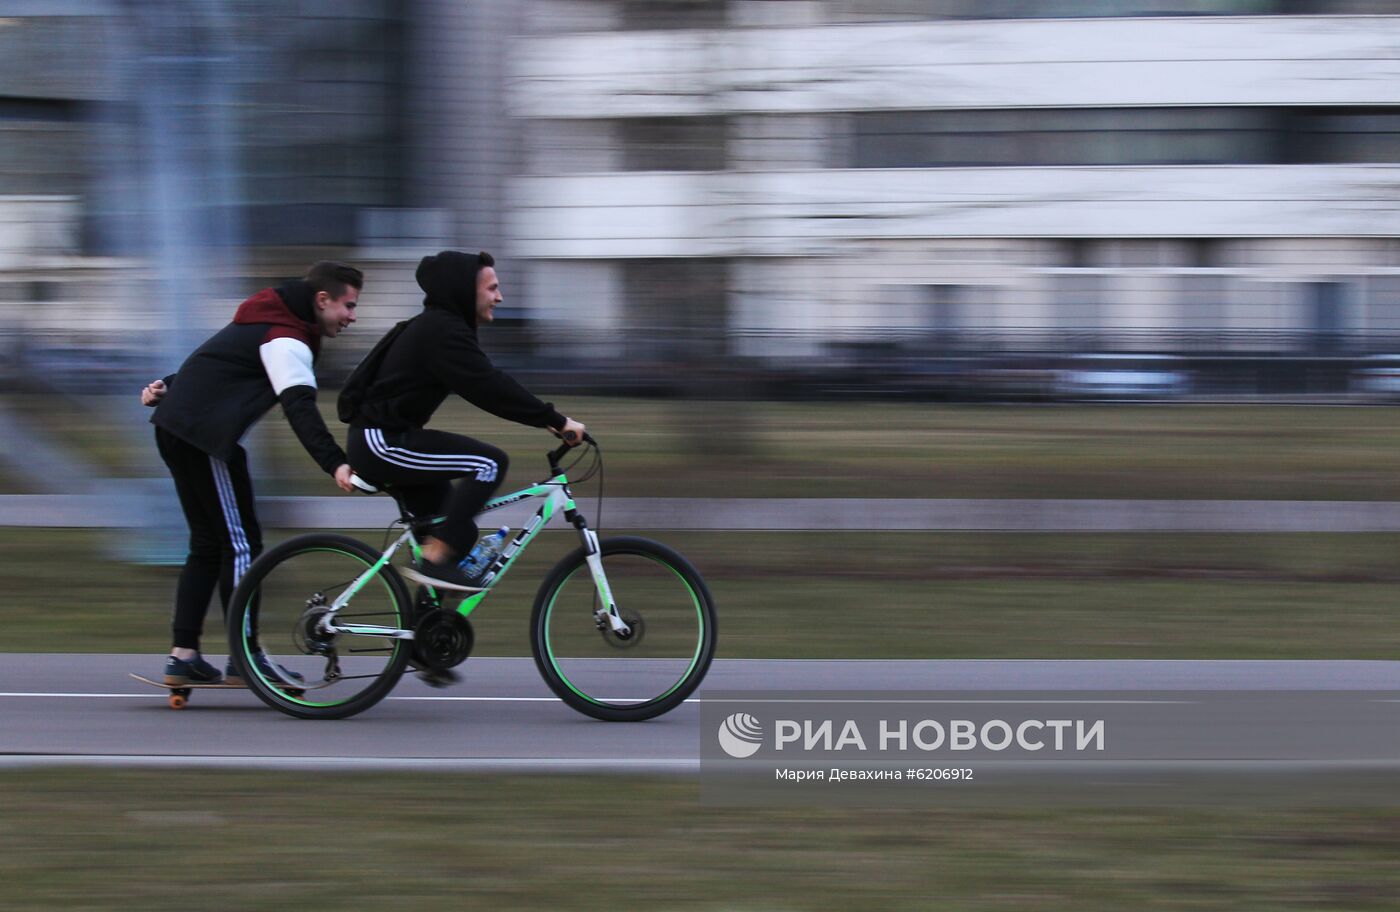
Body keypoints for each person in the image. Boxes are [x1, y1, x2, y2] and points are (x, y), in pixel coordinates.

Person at [140, 261, 362, 686]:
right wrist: (334, 462)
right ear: (322, 300)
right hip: (201, 438)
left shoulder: (268, 314)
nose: (352, 316)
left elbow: (219, 358)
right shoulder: (287, 337)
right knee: (240, 547)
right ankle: (245, 657)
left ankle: (183, 655)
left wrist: (171, 384)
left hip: (180, 429)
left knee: (208, 545)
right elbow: (300, 409)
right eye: (348, 306)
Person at [343, 250, 585, 591]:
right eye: (491, 289)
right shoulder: (441, 331)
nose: (499, 297)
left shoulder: (441, 327)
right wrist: (556, 420)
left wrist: (547, 419)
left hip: (388, 438)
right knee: (488, 463)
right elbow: (488, 386)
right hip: (381, 442)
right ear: (462, 289)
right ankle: (435, 555)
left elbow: (488, 385)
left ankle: (427, 636)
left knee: (461, 531)